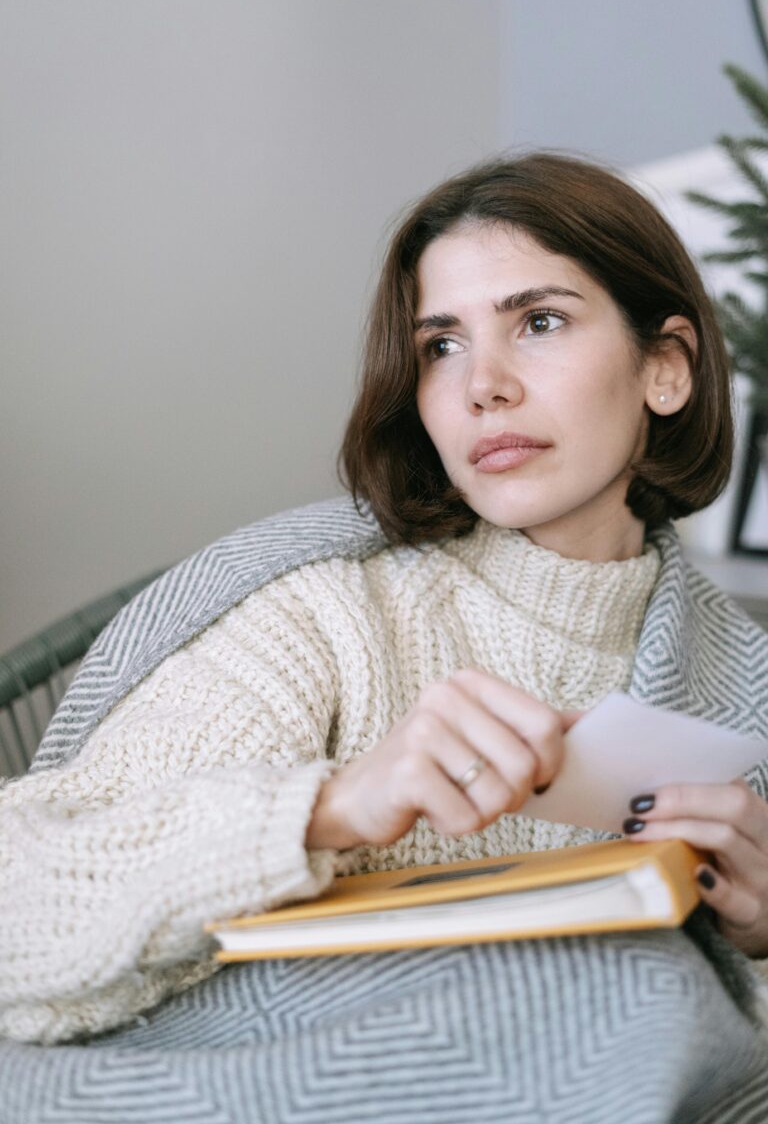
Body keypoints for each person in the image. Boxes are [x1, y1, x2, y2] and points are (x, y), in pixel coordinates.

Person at [2, 153, 768, 1124]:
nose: (482, 385)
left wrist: (758, 945)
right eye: (441, 345)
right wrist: (324, 809)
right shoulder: (323, 620)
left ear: (665, 368)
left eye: (539, 322)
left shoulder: (743, 691)